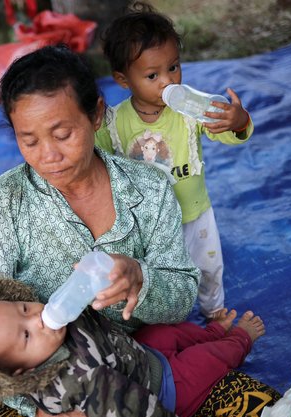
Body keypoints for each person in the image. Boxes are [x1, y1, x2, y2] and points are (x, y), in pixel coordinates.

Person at [0, 44, 200, 417]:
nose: (48, 156)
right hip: (53, 381)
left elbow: (183, 298)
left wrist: (141, 278)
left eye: (62, 134)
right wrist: (40, 411)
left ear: (96, 116)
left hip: (137, 359)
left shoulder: (149, 190)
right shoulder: (5, 202)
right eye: (30, 141)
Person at [0, 278, 281, 417]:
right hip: (165, 392)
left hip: (139, 356)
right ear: (18, 373)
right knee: (209, 362)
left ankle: (214, 331)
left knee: (166, 332)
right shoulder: (81, 384)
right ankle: (239, 340)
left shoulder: (54, 315)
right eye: (25, 336)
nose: (38, 318)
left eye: (23, 308)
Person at [95, 2, 254, 319]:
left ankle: (214, 310)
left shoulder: (190, 110)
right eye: (152, 75)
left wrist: (237, 120)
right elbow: (94, 156)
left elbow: (227, 131)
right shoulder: (115, 123)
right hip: (148, 226)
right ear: (123, 80)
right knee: (161, 276)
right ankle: (166, 319)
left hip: (194, 213)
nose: (167, 82)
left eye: (174, 67)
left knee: (208, 267)